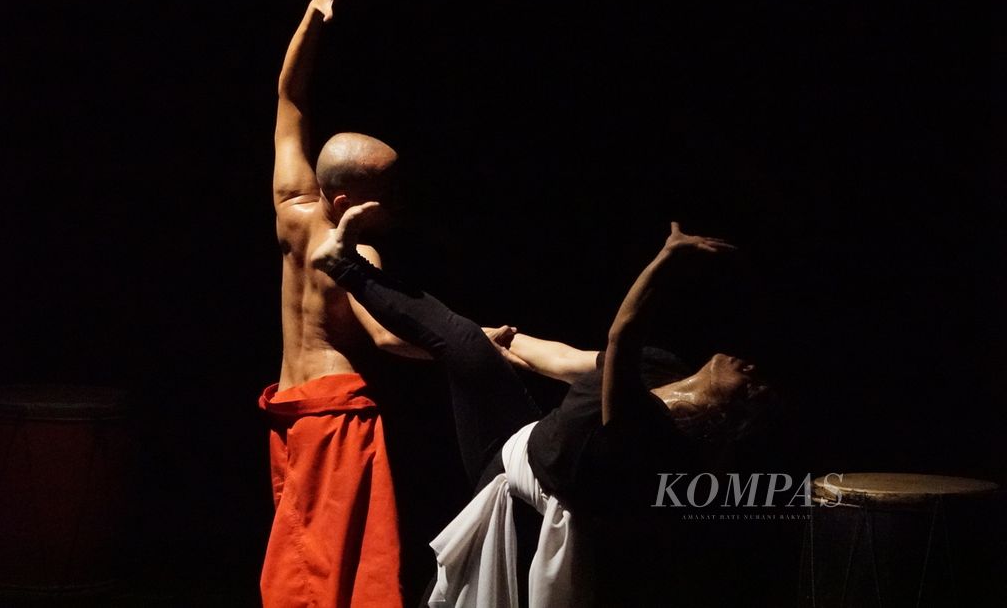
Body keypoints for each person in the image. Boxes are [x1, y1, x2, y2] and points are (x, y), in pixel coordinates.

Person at [311, 202, 770, 607]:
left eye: (753, 385)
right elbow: (565, 361)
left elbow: (622, 335)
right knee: (466, 340)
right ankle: (344, 263)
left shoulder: (653, 435)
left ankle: (345, 266)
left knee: (461, 340)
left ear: (728, 410)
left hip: (522, 497)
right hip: (520, 437)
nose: (750, 368)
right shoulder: (662, 365)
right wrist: (506, 344)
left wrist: (664, 260)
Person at [260, 0, 429, 608]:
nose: (398, 205)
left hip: (291, 412)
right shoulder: (357, 260)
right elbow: (387, 343)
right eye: (390, 192)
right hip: (335, 417)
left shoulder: (291, 210)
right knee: (339, 569)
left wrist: (314, 15)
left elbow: (290, 97)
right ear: (355, 199)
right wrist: (472, 350)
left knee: (300, 554)